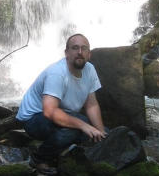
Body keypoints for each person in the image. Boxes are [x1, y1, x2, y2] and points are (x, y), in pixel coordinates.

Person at [16, 33, 106, 165]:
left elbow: (91, 104)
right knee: (75, 131)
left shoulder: (90, 69)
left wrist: (101, 133)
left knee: (99, 132)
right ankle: (39, 158)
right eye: (75, 48)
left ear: (89, 54)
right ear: (66, 53)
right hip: (34, 118)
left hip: (62, 112)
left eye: (84, 48)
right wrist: (83, 126)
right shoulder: (57, 73)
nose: (80, 52)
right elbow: (49, 111)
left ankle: (69, 153)